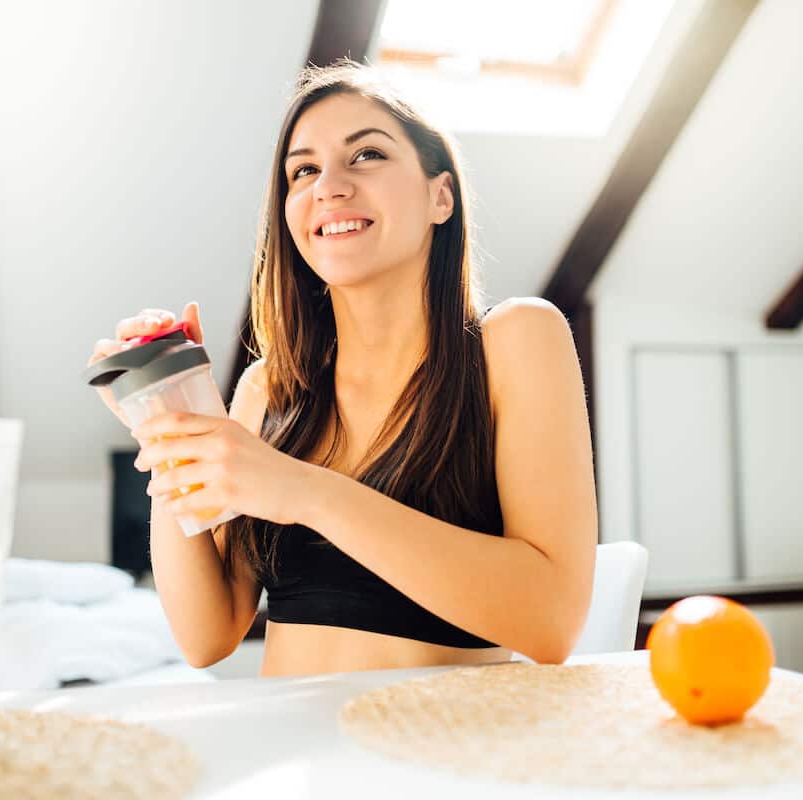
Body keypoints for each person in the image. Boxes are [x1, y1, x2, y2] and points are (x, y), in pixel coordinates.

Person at [87, 61, 597, 677]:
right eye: (303, 170)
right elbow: (206, 635)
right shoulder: (269, 389)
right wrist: (169, 424)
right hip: (295, 758)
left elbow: (551, 623)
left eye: (366, 156)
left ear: (441, 196)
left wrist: (303, 491)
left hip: (446, 750)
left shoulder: (516, 339)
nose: (329, 185)